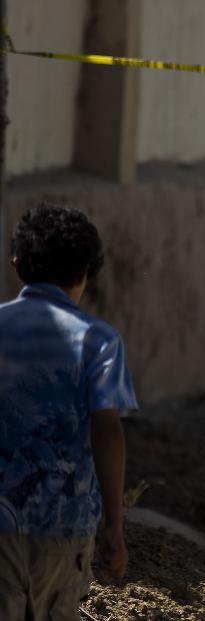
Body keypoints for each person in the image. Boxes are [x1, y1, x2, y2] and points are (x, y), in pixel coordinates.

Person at [0, 205, 137, 621]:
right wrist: (114, 524)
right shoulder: (98, 342)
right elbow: (107, 431)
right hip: (63, 523)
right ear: (87, 272)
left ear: (17, 264)